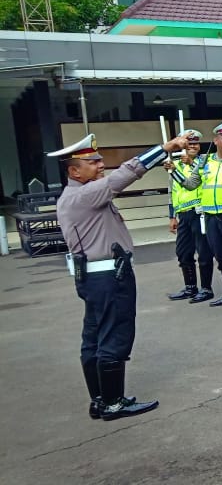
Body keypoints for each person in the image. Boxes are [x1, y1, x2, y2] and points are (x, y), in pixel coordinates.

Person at [53, 132, 188, 420]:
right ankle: (113, 403)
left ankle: (101, 399)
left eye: (100, 160)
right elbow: (126, 174)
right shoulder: (85, 194)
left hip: (92, 277)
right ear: (74, 171)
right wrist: (165, 149)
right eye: (92, 162)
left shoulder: (74, 196)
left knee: (94, 338)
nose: (101, 165)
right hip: (108, 277)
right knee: (115, 336)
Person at [170, 121, 222, 309]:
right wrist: (173, 171)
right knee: (221, 256)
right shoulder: (204, 161)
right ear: (216, 140)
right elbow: (190, 184)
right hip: (210, 215)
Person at [165, 129, 215, 304]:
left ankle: (206, 288)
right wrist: (172, 216)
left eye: (195, 144)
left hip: (199, 211)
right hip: (183, 214)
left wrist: (193, 162)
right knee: (183, 252)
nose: (192, 146)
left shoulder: (205, 162)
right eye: (189, 143)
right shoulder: (176, 164)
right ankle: (190, 287)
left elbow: (203, 179)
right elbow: (172, 191)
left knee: (203, 252)